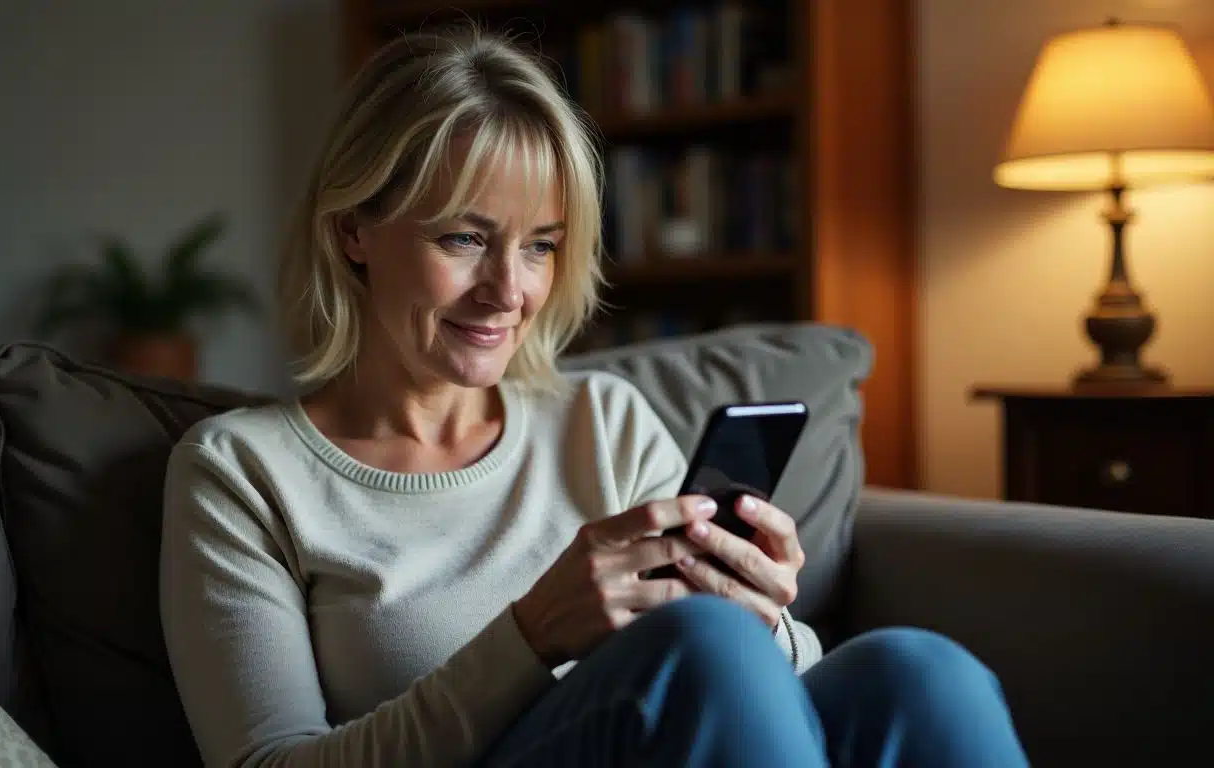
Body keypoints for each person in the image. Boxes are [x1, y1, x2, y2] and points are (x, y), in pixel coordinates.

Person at [158, 25, 1029, 768]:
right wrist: (534, 633)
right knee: (702, 649)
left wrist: (765, 616)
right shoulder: (242, 470)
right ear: (354, 228)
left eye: (540, 245)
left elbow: (775, 682)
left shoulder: (599, 420)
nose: (509, 291)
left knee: (920, 672)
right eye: (465, 238)